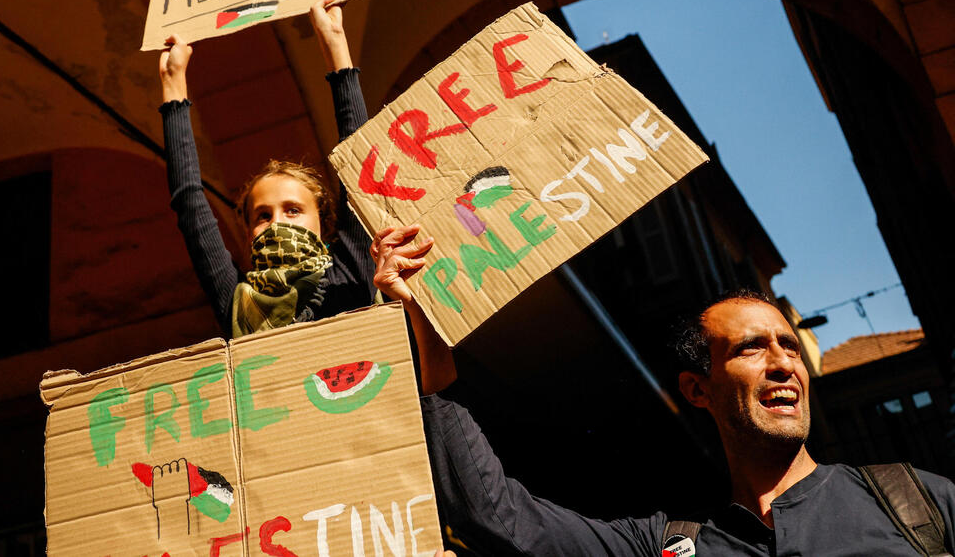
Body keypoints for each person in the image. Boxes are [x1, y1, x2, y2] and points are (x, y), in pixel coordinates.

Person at [370, 227, 955, 555]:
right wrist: (428, 353)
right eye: (751, 348)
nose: (783, 364)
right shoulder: (669, 548)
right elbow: (500, 519)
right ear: (697, 390)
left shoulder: (920, 504)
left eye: (790, 346)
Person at [158, 0, 375, 337]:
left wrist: (336, 48)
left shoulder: (354, 266)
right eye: (262, 215)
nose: (277, 224)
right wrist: (173, 85)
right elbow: (190, 205)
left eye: (292, 210)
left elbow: (361, 162)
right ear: (247, 231)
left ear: (323, 219)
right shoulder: (237, 301)